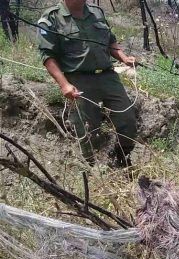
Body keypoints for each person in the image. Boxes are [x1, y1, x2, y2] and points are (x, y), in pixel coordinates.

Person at [37, 0, 137, 168]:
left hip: (108, 77)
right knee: (86, 130)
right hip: (78, 80)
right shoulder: (51, 18)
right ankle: (91, 171)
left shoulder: (97, 13)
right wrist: (64, 85)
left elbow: (110, 42)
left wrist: (124, 58)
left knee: (127, 120)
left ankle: (122, 158)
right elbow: (48, 56)